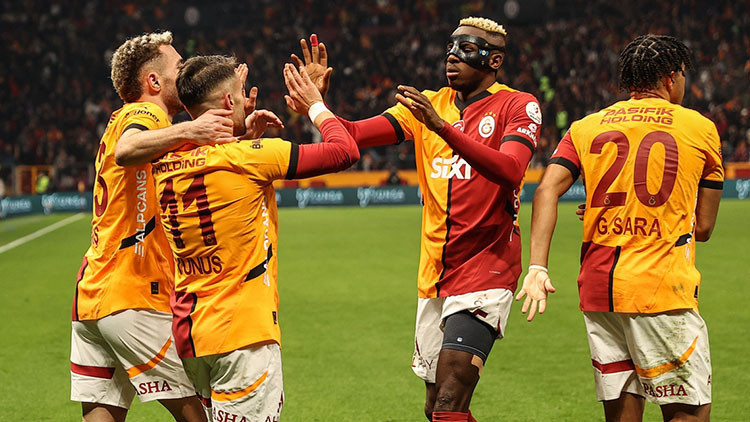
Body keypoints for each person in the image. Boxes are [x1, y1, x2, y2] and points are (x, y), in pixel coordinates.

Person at [293, 17, 542, 421]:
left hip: (486, 267)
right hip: (434, 273)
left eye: (467, 49)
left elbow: (512, 170)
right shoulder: (427, 104)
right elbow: (353, 133)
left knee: (448, 404)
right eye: (450, 48)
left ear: (494, 60)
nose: (452, 57)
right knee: (435, 407)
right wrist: (317, 106)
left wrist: (441, 128)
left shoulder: (518, 105)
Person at [517, 34, 723, 422]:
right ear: (671, 77)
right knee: (688, 412)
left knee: (621, 414)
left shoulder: (586, 126)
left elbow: (546, 190)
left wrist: (538, 267)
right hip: (660, 291)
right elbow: (705, 226)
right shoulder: (700, 127)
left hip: (599, 292)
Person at [151, 55, 359, 421]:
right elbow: (344, 151)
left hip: (191, 332)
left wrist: (237, 132)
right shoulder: (250, 158)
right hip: (242, 333)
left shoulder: (164, 162)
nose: (246, 100)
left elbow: (210, 160)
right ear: (228, 101)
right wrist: (315, 104)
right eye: (241, 93)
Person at [70, 31, 237, 422]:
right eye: (179, 67)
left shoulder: (141, 126)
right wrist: (189, 129)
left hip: (93, 295)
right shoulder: (144, 115)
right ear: (154, 82)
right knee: (199, 415)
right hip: (133, 294)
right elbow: (128, 150)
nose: (187, 72)